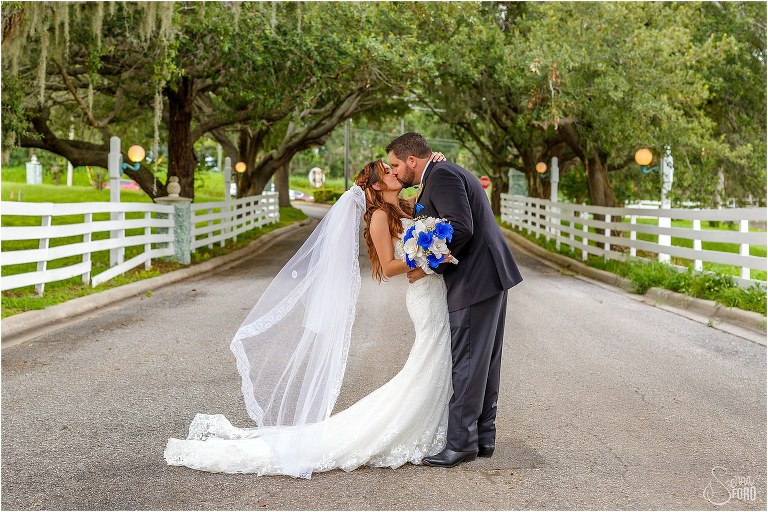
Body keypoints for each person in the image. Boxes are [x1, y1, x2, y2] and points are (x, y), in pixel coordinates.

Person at [164, 155, 455, 479]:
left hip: (430, 291)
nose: (393, 172)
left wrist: (435, 161)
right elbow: (388, 268)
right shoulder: (377, 218)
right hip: (422, 294)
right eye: (387, 171)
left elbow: (429, 192)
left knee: (431, 359)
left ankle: (435, 423)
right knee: (429, 358)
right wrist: (427, 258)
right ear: (375, 184)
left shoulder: (401, 206)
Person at [386, 132, 523, 468]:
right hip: (487, 275)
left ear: (412, 161)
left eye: (395, 165)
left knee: (468, 359)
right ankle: (483, 437)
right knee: (484, 361)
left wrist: (426, 265)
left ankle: (461, 443)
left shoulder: (443, 175)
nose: (394, 171)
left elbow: (460, 227)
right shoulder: (439, 174)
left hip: (475, 278)